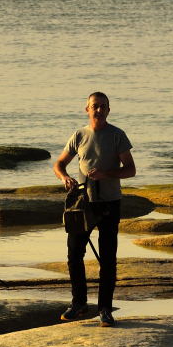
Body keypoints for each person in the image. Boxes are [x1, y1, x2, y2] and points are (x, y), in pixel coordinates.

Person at [56, 91, 137, 328]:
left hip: (110, 203)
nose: (99, 110)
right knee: (73, 254)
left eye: (103, 107)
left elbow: (130, 169)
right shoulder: (79, 135)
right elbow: (59, 164)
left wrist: (106, 173)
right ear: (87, 109)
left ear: (109, 111)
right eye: (95, 106)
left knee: (108, 259)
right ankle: (79, 303)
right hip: (83, 204)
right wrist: (65, 177)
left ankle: (105, 309)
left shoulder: (117, 135)